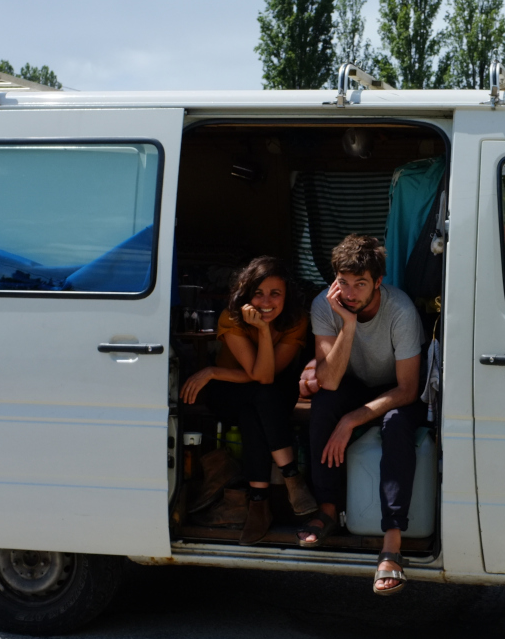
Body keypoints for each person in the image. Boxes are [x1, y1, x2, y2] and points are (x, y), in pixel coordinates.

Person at [301, 235, 425, 595]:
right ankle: (328, 509)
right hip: (354, 383)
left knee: (396, 424)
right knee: (324, 405)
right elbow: (329, 380)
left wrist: (351, 420)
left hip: (398, 388)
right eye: (343, 282)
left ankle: (392, 543)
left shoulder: (400, 310)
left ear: (378, 282)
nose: (350, 293)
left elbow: (408, 389)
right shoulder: (325, 305)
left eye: (360, 284)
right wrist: (349, 324)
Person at [180, 256, 314, 544]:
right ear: (246, 294)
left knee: (258, 405)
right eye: (258, 293)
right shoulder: (231, 317)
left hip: (273, 390)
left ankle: (258, 505)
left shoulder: (296, 320)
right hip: (230, 391)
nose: (266, 301)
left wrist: (212, 370)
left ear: (287, 295)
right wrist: (217, 372)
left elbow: (266, 375)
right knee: (257, 401)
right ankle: (292, 478)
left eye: (275, 293)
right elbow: (259, 375)